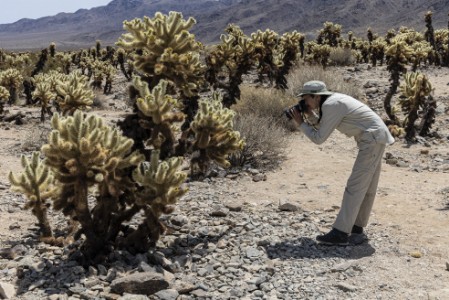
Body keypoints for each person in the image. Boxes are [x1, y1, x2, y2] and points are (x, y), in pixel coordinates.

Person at [289, 80, 395, 245]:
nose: (304, 102)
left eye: (305, 99)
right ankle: (356, 228)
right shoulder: (332, 102)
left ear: (315, 96)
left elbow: (319, 138)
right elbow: (325, 125)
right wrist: (310, 115)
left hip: (371, 139)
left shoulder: (331, 105)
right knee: (366, 186)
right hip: (375, 137)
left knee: (355, 185)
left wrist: (301, 123)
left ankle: (340, 233)